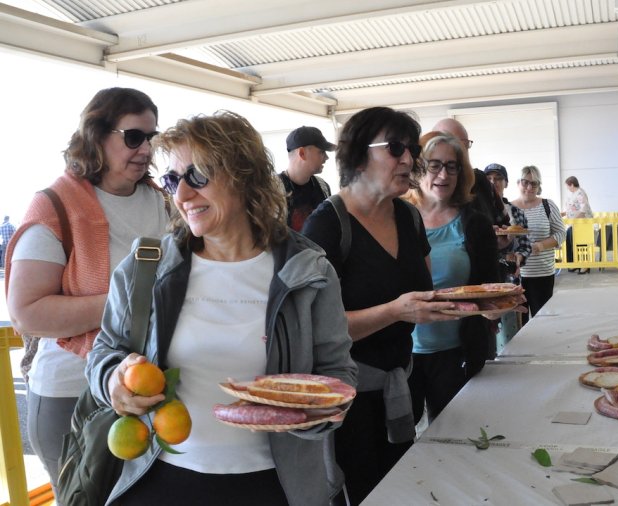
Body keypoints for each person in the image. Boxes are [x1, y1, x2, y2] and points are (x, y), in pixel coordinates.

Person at [86, 110, 356, 506]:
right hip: (160, 479)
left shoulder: (308, 272)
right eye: (173, 180)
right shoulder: (146, 267)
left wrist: (311, 417)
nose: (181, 196)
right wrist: (113, 382)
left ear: (244, 177)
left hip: (273, 486)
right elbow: (103, 354)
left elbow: (337, 374)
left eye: (198, 176)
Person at [4, 87, 169, 495]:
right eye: (134, 137)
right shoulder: (55, 206)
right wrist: (132, 307)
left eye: (152, 137)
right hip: (71, 393)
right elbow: (28, 312)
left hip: (146, 389)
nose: (146, 148)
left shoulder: (164, 202)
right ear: (97, 136)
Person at [302, 107, 458, 505]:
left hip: (401, 385)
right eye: (394, 148)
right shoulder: (327, 225)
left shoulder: (408, 217)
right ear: (358, 154)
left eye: (410, 149)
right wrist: (395, 312)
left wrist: (472, 307)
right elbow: (318, 330)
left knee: (403, 489)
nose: (408, 159)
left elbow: (424, 293)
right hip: (349, 404)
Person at [404, 132, 499, 423]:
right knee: (398, 443)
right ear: (418, 168)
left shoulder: (474, 224)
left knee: (453, 436)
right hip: (400, 355)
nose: (443, 174)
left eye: (451, 166)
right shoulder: (396, 219)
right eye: (434, 165)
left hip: (455, 352)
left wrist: (494, 309)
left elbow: (489, 287)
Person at [485, 163, 531, 347]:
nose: (493, 182)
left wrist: (520, 257)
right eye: (489, 178)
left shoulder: (516, 212)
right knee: (488, 330)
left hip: (511, 277)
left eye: (498, 178)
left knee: (511, 332)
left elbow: (526, 243)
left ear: (506, 183)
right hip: (486, 280)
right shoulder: (477, 213)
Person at [511, 165, 565, 322]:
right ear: (518, 183)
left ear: (539, 186)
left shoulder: (548, 206)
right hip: (515, 277)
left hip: (542, 275)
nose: (529, 187)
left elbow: (561, 233)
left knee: (542, 322)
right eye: (525, 182)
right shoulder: (508, 208)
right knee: (517, 325)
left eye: (534, 183)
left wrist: (540, 246)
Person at [280, 125, 335, 231]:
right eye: (322, 152)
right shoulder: (273, 190)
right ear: (302, 153)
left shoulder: (323, 186)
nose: (327, 158)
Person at [562, 176, 593, 274]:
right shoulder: (573, 194)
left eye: (567, 186)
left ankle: (585, 266)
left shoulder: (580, 193)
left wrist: (574, 220)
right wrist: (564, 214)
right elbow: (572, 208)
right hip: (574, 224)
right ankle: (573, 263)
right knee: (569, 240)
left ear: (571, 184)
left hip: (582, 223)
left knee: (580, 244)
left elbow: (583, 209)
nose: (567, 188)